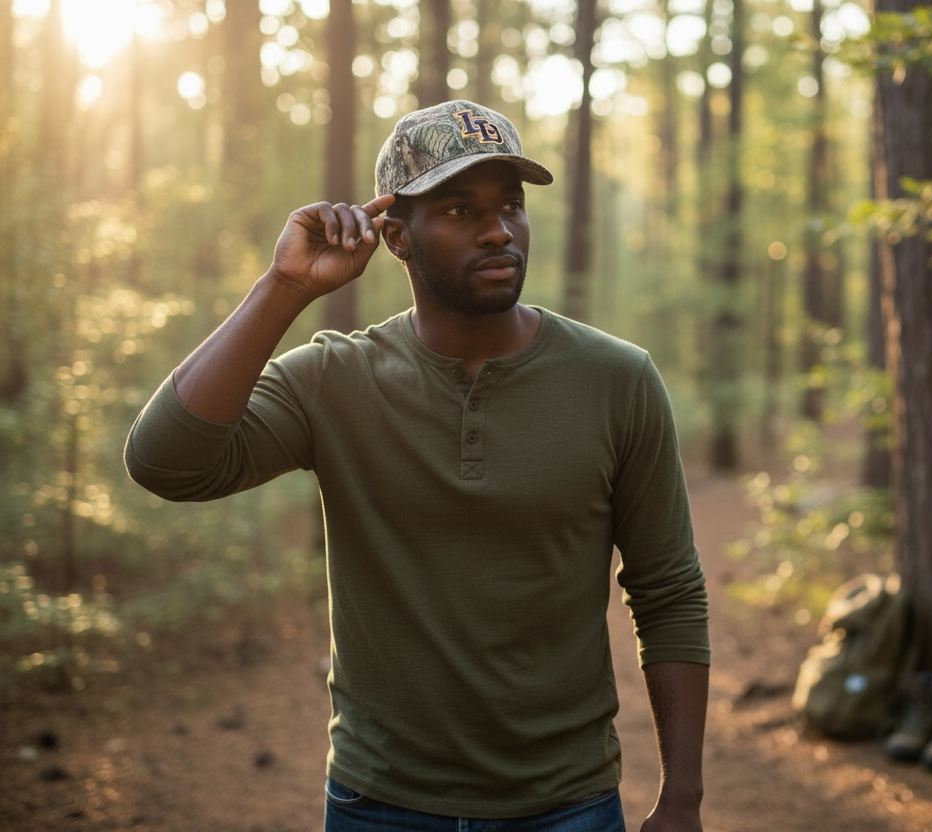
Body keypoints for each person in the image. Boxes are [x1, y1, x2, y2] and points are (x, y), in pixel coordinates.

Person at [124, 100, 710, 831]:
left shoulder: (616, 379)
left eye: (510, 205)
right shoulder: (334, 378)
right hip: (380, 803)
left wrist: (682, 797)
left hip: (566, 803)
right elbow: (165, 463)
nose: (498, 230)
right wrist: (286, 288)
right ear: (396, 236)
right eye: (460, 209)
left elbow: (668, 591)